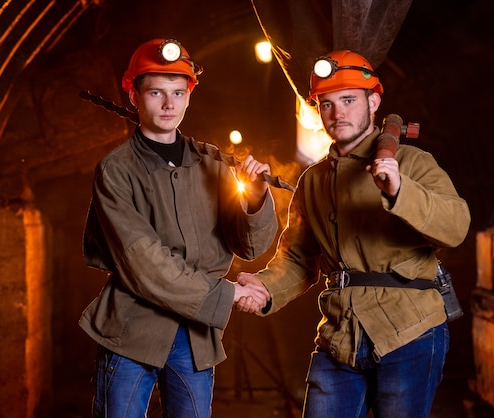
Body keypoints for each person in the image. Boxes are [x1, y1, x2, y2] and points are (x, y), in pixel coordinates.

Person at [237, 49, 471, 418]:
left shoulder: (411, 163)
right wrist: (266, 288)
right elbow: (298, 259)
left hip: (409, 330)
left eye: (348, 100)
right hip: (340, 336)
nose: (337, 113)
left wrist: (400, 191)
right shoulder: (312, 181)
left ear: (373, 101)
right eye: (326, 104)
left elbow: (456, 226)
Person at [78, 38, 277, 418]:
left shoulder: (213, 164)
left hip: (194, 334)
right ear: (134, 96)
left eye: (177, 92)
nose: (169, 104)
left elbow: (248, 245)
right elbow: (144, 262)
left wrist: (254, 199)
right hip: (131, 330)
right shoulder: (116, 171)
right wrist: (228, 294)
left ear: (189, 97)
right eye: (156, 92)